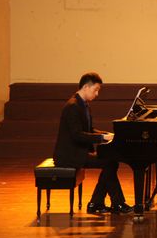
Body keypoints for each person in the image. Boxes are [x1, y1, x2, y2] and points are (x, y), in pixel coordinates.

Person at [53, 72, 133, 214]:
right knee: (110, 162)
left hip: (78, 151)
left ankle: (97, 203)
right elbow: (77, 135)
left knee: (111, 162)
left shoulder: (83, 105)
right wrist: (102, 138)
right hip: (70, 155)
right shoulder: (73, 106)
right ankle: (113, 203)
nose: (97, 94)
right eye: (95, 90)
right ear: (86, 87)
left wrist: (106, 135)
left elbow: (89, 130)